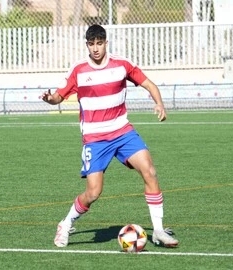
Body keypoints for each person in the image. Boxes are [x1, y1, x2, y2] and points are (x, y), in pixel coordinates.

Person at [40, 24, 179, 248]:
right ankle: (65, 224)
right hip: (95, 139)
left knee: (150, 171)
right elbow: (58, 97)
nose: (95, 48)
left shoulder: (122, 65)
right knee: (93, 193)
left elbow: (148, 84)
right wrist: (49, 99)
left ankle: (159, 231)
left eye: (99, 43)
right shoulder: (78, 70)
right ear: (87, 45)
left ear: (106, 43)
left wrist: (159, 103)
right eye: (91, 44)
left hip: (123, 132)